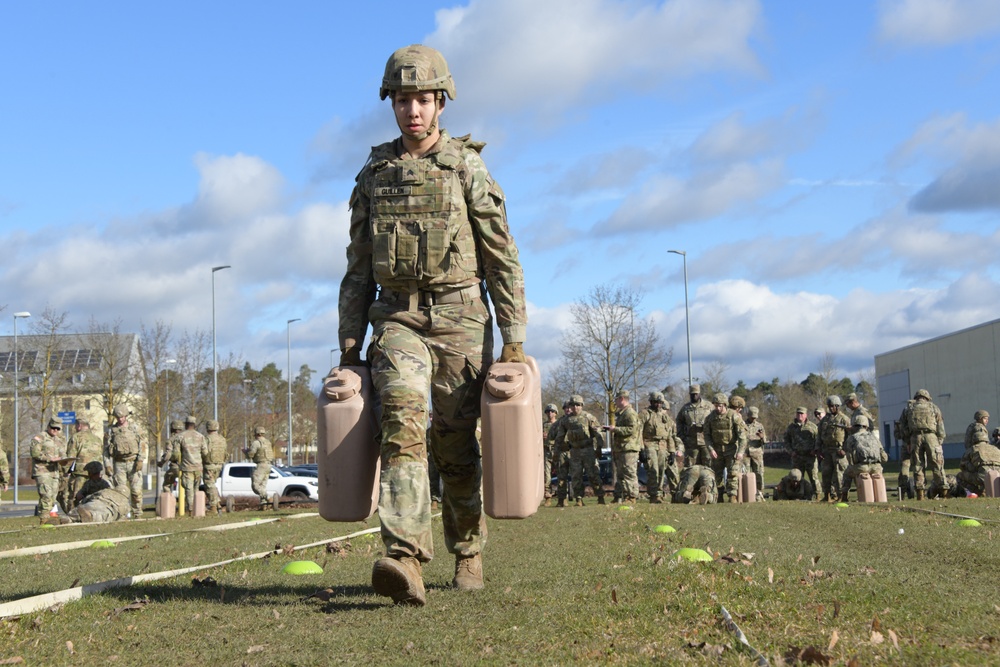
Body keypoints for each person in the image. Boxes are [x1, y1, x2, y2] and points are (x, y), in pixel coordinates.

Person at [337, 45, 528, 606]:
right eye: (402, 99)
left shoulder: (466, 168)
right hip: (396, 320)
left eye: (421, 98)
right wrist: (350, 343)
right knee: (402, 424)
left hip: (461, 319)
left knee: (454, 444)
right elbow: (356, 267)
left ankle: (467, 549)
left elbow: (502, 257)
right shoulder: (374, 174)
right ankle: (403, 555)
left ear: (440, 102)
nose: (412, 110)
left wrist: (514, 338)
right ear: (390, 104)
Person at [552, 395, 606, 507]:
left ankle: (600, 497)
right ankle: (579, 499)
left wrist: (599, 448)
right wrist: (556, 452)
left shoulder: (588, 417)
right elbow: (560, 437)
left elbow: (598, 433)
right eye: (573, 405)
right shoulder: (566, 420)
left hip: (588, 450)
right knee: (576, 476)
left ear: (581, 406)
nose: (575, 407)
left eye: (578, 405)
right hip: (575, 451)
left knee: (593, 475)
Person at [704, 393, 747, 502]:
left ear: (725, 405)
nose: (718, 408)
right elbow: (707, 436)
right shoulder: (710, 418)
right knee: (716, 475)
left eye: (720, 406)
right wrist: (711, 449)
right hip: (717, 450)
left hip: (731, 449)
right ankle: (718, 496)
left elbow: (742, 436)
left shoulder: (734, 416)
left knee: (733, 473)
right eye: (716, 405)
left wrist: (740, 452)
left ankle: (732, 496)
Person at [905, 389, 946, 500]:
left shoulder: (909, 408)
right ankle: (943, 491)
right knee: (937, 463)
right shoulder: (933, 407)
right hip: (931, 437)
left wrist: (907, 441)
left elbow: (903, 426)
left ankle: (920, 494)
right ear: (927, 398)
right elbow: (940, 425)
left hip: (915, 437)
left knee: (917, 465)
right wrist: (940, 440)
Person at [105, 405, 145, 517]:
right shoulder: (111, 431)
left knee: (136, 491)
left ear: (126, 416)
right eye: (118, 417)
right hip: (119, 464)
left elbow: (142, 445)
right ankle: (122, 514)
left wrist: (140, 460)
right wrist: (107, 465)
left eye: (122, 417)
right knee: (120, 492)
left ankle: (137, 513)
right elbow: (106, 450)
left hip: (133, 463)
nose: (120, 419)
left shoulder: (135, 428)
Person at [639, 392, 679, 503]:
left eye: (660, 403)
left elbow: (669, 435)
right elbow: (639, 432)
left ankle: (659, 494)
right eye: (656, 402)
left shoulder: (665, 416)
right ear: (651, 402)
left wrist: (671, 451)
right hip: (649, 444)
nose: (658, 405)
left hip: (663, 445)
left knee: (661, 471)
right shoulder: (645, 414)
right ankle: (654, 495)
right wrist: (641, 449)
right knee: (653, 470)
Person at [840, 415, 887, 502]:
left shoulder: (852, 438)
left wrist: (853, 465)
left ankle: (844, 497)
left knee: (847, 474)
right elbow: (884, 457)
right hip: (876, 467)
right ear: (866, 425)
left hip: (861, 467)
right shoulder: (874, 437)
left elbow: (849, 457)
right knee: (877, 476)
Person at [606, 390, 639, 503]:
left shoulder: (630, 413)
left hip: (628, 449)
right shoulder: (622, 413)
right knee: (620, 474)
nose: (615, 402)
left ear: (622, 399)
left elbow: (631, 429)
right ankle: (619, 496)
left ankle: (631, 497)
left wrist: (615, 429)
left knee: (629, 473)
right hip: (621, 448)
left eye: (616, 399)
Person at [65, 420, 104, 512]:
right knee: (94, 496)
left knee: (76, 497)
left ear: (79, 426)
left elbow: (71, 457)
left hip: (80, 472)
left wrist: (67, 472)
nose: (75, 428)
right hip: (95, 473)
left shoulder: (76, 437)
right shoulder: (97, 439)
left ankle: (74, 516)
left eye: (75, 426)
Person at [31, 417, 67, 517]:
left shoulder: (59, 439)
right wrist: (49, 459)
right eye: (53, 427)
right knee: (46, 495)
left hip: (54, 472)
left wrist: (64, 461)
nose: (55, 430)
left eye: (58, 428)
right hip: (42, 471)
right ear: (49, 426)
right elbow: (34, 453)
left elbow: (63, 454)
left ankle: (48, 517)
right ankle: (44, 518)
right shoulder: (40, 437)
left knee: (53, 497)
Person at [818, 396, 850, 502]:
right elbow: (819, 436)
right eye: (829, 406)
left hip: (839, 451)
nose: (831, 408)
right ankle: (826, 495)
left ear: (838, 406)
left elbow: (850, 437)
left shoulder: (844, 419)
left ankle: (841, 495)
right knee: (826, 474)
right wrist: (818, 449)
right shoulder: (825, 420)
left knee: (839, 474)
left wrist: (845, 450)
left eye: (833, 406)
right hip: (826, 451)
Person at [784, 407, 819, 497]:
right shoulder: (791, 427)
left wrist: (815, 450)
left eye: (802, 413)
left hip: (810, 457)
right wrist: (791, 452)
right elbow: (786, 441)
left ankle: (817, 495)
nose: (800, 415)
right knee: (796, 478)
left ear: (806, 415)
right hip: (797, 457)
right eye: (798, 413)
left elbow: (818, 440)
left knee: (814, 477)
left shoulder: (812, 426)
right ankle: (798, 495)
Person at [677, 384, 712, 467]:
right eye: (692, 394)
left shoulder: (709, 406)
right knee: (691, 467)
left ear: (699, 394)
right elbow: (679, 421)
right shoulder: (685, 408)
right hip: (691, 443)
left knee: (708, 466)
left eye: (696, 394)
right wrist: (682, 436)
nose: (694, 396)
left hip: (706, 442)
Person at [177, 416, 205, 514]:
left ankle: (191, 509)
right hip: (198, 467)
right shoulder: (201, 436)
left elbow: (176, 453)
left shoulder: (181, 436)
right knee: (196, 489)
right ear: (194, 424)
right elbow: (205, 452)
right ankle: (197, 509)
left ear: (186, 424)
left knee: (189, 490)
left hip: (187, 467)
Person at [64, 486, 131, 524]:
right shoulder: (126, 503)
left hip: (95, 502)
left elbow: (90, 496)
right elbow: (123, 518)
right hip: (108, 508)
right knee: (101, 516)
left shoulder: (106, 490)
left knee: (80, 510)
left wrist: (82, 503)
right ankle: (91, 516)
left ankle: (67, 518)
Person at [202, 420, 228, 513]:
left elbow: (203, 452)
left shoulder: (206, 439)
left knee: (209, 484)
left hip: (209, 465)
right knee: (212, 484)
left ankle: (214, 506)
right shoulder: (222, 439)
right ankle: (217, 505)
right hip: (219, 465)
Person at [552, 401, 574, 505]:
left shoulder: (577, 420)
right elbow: (551, 436)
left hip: (575, 451)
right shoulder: (559, 422)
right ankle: (562, 499)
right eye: (565, 408)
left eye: (569, 407)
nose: (568, 409)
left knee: (577, 476)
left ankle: (579, 499)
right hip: (562, 452)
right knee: (561, 477)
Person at [245, 426, 273, 509]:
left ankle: (268, 497)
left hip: (261, 465)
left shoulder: (256, 443)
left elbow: (251, 454)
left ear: (256, 434)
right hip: (269, 465)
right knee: (262, 486)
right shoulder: (268, 442)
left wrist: (246, 452)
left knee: (256, 485)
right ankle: (263, 505)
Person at [744, 406, 767, 499]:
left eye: (755, 417)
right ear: (748, 415)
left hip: (757, 453)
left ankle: (759, 493)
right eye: (752, 417)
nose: (753, 419)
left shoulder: (760, 426)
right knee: (746, 474)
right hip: (745, 454)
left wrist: (762, 437)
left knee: (759, 473)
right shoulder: (743, 424)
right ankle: (747, 493)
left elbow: (765, 441)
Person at [894, 400, 915, 499]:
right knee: (919, 467)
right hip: (918, 444)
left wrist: (906, 441)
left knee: (904, 468)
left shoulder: (904, 415)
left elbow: (897, 434)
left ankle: (902, 492)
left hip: (906, 445)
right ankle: (920, 491)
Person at [541, 404, 559, 506]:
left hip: (557, 451)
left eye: (552, 411)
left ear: (556, 413)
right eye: (548, 412)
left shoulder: (559, 424)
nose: (549, 413)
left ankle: (562, 498)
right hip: (546, 451)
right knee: (546, 476)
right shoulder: (543, 425)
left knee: (561, 475)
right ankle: (548, 497)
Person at [158, 420, 184, 493]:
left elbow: (168, 454)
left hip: (175, 466)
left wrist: (161, 463)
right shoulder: (186, 438)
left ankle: (168, 502)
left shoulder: (171, 440)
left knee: (166, 484)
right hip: (186, 466)